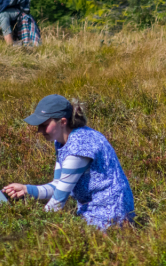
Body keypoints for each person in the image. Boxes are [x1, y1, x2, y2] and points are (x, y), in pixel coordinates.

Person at [3, 94, 135, 229]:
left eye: (44, 125)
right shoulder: (62, 142)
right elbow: (58, 184)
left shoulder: (78, 147)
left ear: (63, 122)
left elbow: (58, 200)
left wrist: (32, 227)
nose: (39, 131)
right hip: (91, 209)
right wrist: (26, 189)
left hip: (109, 213)